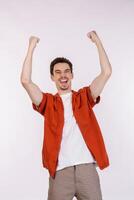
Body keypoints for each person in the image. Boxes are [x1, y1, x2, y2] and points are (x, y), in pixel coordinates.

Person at [20, 30, 112, 200]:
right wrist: (31, 46)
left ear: (72, 75)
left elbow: (106, 73)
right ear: (52, 77)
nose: (63, 75)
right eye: (58, 72)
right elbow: (26, 81)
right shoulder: (48, 102)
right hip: (61, 171)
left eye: (66, 71)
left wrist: (97, 41)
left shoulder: (84, 97)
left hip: (86, 170)